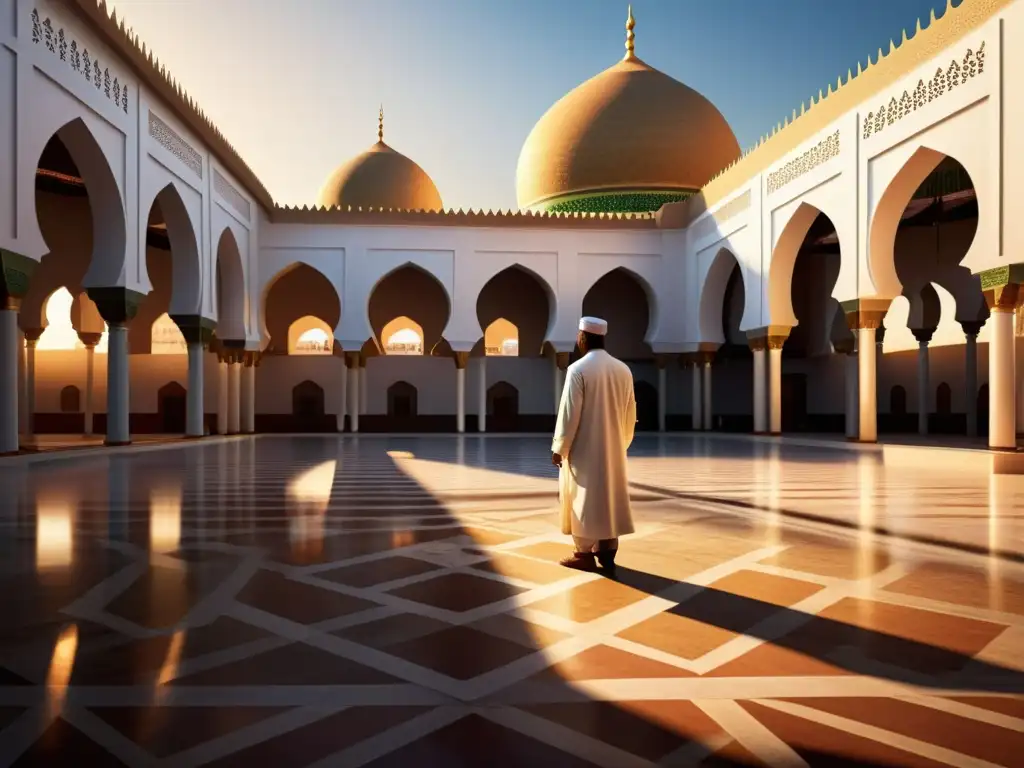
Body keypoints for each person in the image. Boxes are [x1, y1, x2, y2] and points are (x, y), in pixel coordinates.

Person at [551, 317, 637, 573]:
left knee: (584, 499)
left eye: (578, 335)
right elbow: (630, 413)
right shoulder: (623, 369)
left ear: (584, 338)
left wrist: (560, 447)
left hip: (584, 450)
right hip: (613, 449)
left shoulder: (578, 369)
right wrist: (619, 443)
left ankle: (584, 554)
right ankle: (608, 552)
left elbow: (569, 413)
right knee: (608, 497)